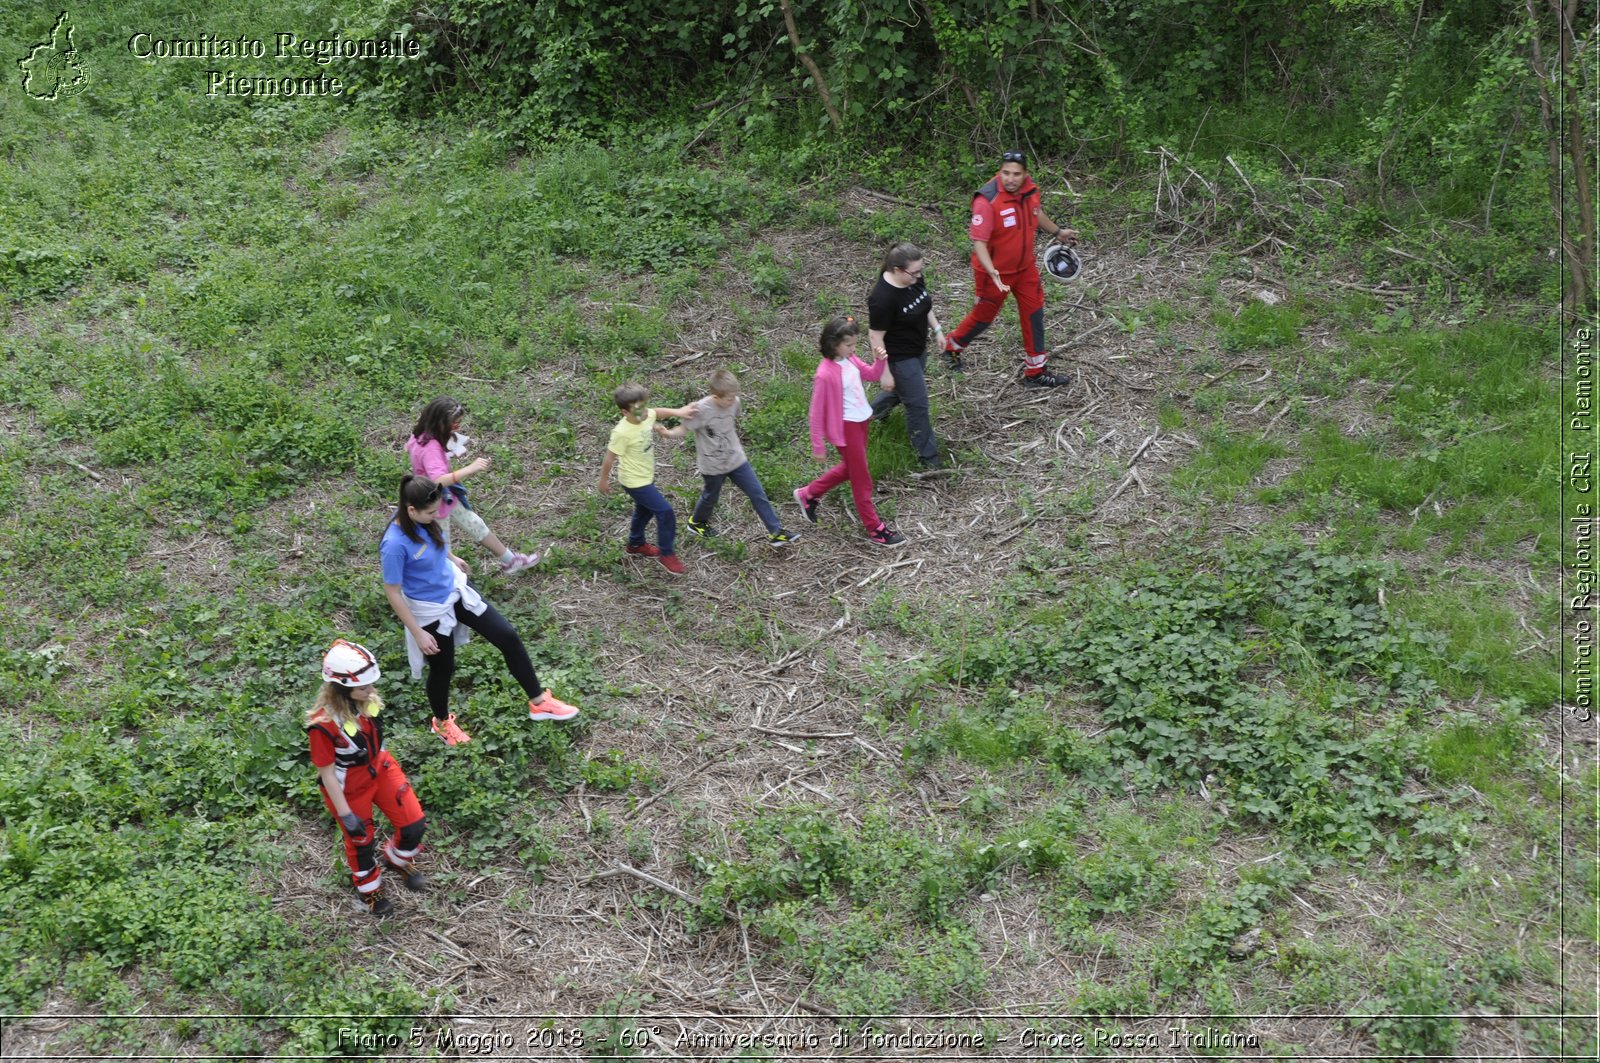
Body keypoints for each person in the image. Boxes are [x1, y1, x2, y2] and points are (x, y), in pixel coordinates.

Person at [380, 474, 579, 745]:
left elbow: (433, 539)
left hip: (456, 590)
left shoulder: (421, 517)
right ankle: (441, 723)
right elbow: (393, 591)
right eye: (430, 512)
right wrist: (418, 633)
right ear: (411, 510)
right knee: (443, 668)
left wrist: (451, 557)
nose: (435, 515)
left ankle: (539, 702)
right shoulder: (394, 545)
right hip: (430, 610)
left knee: (507, 636)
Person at [306, 639, 426, 917]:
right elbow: (327, 774)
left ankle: (397, 859)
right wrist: (346, 814)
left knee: (414, 824)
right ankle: (369, 890)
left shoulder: (365, 700)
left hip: (381, 768)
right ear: (342, 689)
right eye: (364, 687)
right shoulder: (323, 726)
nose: (371, 691)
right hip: (349, 786)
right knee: (361, 842)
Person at [942, 149, 1079, 388]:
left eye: (1016, 174)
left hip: (1025, 269)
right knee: (984, 317)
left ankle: (1035, 372)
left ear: (1025, 174)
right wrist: (992, 271)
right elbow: (979, 242)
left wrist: (1058, 232)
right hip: (994, 274)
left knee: (1034, 314)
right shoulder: (987, 199)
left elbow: (1036, 214)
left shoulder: (1030, 190)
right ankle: (952, 346)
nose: (1010, 179)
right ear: (1000, 172)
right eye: (1006, 173)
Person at [794, 316, 906, 547]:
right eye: (849, 345)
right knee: (861, 479)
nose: (854, 349)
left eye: (855, 344)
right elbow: (815, 413)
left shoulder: (850, 359)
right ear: (833, 343)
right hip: (846, 429)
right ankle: (875, 528)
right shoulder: (824, 374)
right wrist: (818, 445)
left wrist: (879, 361)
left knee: (852, 469)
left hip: (862, 421)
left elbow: (872, 375)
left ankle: (808, 494)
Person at [406, 396, 542, 574]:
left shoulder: (420, 436)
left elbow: (414, 453)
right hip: (433, 503)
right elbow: (437, 480)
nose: (457, 427)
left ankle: (510, 561)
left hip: (445, 498)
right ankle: (452, 581)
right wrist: (470, 469)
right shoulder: (431, 448)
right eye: (454, 424)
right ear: (440, 423)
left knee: (475, 524)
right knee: (441, 544)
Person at [680, 370, 801, 548]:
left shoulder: (735, 402)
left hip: (736, 460)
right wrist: (667, 432)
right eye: (728, 398)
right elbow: (683, 429)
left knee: (757, 492)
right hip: (713, 465)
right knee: (710, 497)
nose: (733, 401)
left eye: (734, 396)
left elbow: (731, 419)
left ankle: (776, 532)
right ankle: (697, 522)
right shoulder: (701, 409)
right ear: (715, 396)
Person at [598, 384, 696, 575]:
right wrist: (603, 480)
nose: (644, 412)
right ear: (624, 412)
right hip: (633, 481)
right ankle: (667, 554)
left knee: (644, 511)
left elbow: (657, 412)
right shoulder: (621, 432)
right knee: (665, 511)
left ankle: (635, 544)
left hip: (646, 475)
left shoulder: (644, 414)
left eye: (644, 406)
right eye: (638, 409)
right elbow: (609, 458)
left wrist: (680, 411)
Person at [867, 242, 945, 468]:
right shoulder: (883, 298)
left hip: (918, 348)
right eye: (914, 272)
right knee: (917, 405)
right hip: (899, 358)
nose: (919, 276)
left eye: (920, 271)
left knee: (903, 392)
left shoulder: (913, 278)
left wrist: (937, 329)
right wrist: (885, 372)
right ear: (897, 270)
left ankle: (869, 417)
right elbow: (875, 337)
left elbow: (925, 303)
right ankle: (929, 458)